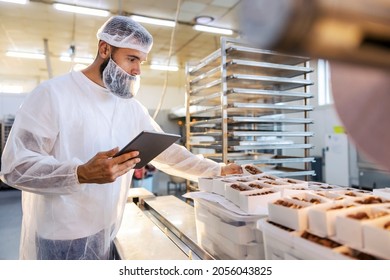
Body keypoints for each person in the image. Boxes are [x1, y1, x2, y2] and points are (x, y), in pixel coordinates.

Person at [0, 15, 242, 260]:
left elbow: (167, 153)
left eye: (141, 61)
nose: (137, 70)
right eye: (132, 58)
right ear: (105, 49)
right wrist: (80, 173)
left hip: (107, 229)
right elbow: (16, 166)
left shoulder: (130, 108)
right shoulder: (53, 94)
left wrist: (218, 170)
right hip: (62, 237)